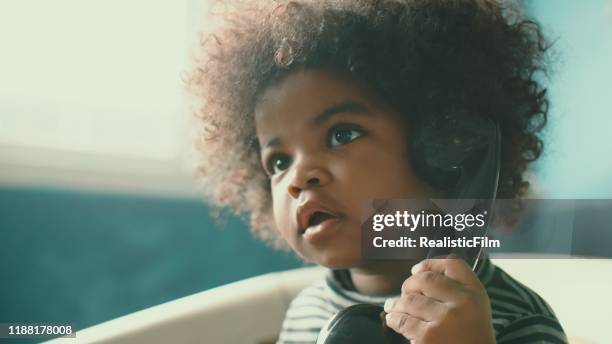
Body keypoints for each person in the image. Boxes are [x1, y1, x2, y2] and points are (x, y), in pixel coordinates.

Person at [187, 0, 567, 342]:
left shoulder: (519, 320)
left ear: (442, 144)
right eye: (279, 162)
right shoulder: (305, 313)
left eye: (341, 134)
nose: (299, 176)